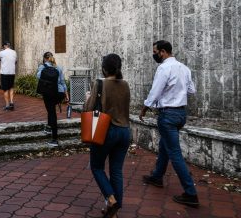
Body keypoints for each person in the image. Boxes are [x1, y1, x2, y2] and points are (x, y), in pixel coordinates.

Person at [140, 40, 199, 208]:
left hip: (168, 115)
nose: (154, 55)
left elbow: (155, 91)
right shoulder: (184, 68)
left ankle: (190, 193)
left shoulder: (164, 68)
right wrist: (177, 91)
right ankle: (157, 176)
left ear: (163, 52)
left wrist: (144, 108)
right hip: (181, 114)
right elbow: (191, 90)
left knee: (175, 153)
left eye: (155, 52)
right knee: (165, 146)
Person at [83, 54, 130, 218]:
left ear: (104, 68)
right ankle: (114, 212)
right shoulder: (125, 84)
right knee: (116, 170)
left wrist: (87, 99)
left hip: (106, 131)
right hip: (125, 131)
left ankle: (111, 200)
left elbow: (88, 109)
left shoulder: (100, 84)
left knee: (97, 167)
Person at [36, 52, 68, 147]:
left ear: (45, 59)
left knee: (51, 112)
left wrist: (42, 66)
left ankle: (54, 139)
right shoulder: (58, 67)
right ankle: (49, 128)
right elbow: (62, 82)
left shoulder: (43, 67)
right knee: (51, 110)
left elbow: (38, 76)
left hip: (48, 93)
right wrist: (66, 94)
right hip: (59, 93)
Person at [0, 42, 17, 110]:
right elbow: (15, 62)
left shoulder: (2, 52)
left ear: (4, 46)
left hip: (4, 73)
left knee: (5, 89)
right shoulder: (14, 52)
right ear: (9, 46)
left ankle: (7, 105)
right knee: (11, 88)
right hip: (12, 73)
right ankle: (12, 102)